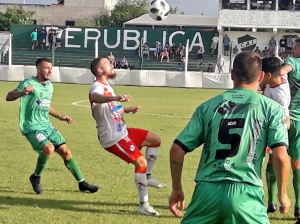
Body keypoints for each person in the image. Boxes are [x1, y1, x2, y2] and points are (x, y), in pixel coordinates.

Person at [169, 51, 291, 224]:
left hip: (207, 191)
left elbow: (176, 149)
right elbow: (280, 156)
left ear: (232, 74)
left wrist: (176, 188)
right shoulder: (272, 109)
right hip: (246, 193)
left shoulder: (207, 106)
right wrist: (282, 194)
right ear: (261, 76)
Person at [5, 58, 99, 195]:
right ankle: (35, 177)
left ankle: (82, 183)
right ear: (38, 69)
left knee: (66, 152)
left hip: (46, 126)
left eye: (51, 68)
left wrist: (61, 116)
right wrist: (22, 92)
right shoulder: (28, 83)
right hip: (31, 126)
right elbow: (9, 96)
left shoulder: (49, 86)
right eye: (46, 68)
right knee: (48, 149)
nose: (49, 70)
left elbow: (45, 105)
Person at [88, 57, 167, 216]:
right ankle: (143, 205)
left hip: (122, 130)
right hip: (113, 137)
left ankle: (148, 176)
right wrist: (114, 98)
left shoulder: (107, 86)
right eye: (107, 63)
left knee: (155, 140)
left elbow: (110, 109)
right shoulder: (96, 86)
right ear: (100, 70)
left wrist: (126, 109)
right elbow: (96, 98)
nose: (112, 64)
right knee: (141, 162)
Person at [260, 57, 291, 213]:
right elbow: (286, 69)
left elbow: (286, 121)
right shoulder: (277, 79)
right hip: (263, 126)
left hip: (269, 131)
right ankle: (271, 202)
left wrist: (271, 132)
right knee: (270, 163)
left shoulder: (280, 95)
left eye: (262, 74)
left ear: (269, 75)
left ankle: (277, 197)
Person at [280, 38, 300, 220]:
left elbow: (282, 71)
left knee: (274, 157)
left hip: (288, 118)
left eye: (295, 46)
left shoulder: (293, 62)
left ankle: (273, 200)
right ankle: (299, 207)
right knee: (297, 163)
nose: (292, 49)